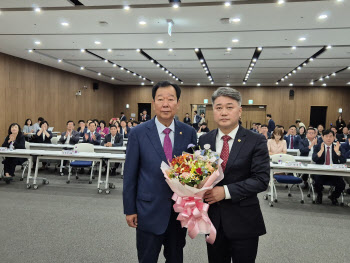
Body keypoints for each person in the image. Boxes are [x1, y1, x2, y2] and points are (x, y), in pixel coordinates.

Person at [123, 81, 197, 263]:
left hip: (178, 212)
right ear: (153, 103)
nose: (166, 104)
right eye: (160, 99)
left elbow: (193, 173)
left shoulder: (188, 132)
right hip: (148, 210)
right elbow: (130, 174)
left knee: (175, 258)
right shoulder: (138, 133)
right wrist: (130, 209)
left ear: (178, 103)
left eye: (171, 99)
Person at [198, 87, 269, 263]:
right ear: (213, 111)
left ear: (240, 110)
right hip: (213, 219)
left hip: (244, 221)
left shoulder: (256, 140)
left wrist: (225, 191)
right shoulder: (204, 140)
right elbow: (201, 173)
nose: (223, 112)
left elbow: (261, 180)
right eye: (218, 107)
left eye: (229, 107)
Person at [312, 129, 346, 205]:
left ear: (334, 137)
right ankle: (319, 195)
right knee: (316, 180)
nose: (328, 138)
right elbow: (314, 159)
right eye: (326, 136)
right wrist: (321, 151)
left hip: (333, 172)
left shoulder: (338, 146)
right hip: (321, 172)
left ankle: (334, 196)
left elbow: (343, 160)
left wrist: (337, 152)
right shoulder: (318, 146)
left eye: (331, 136)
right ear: (322, 137)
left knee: (342, 184)